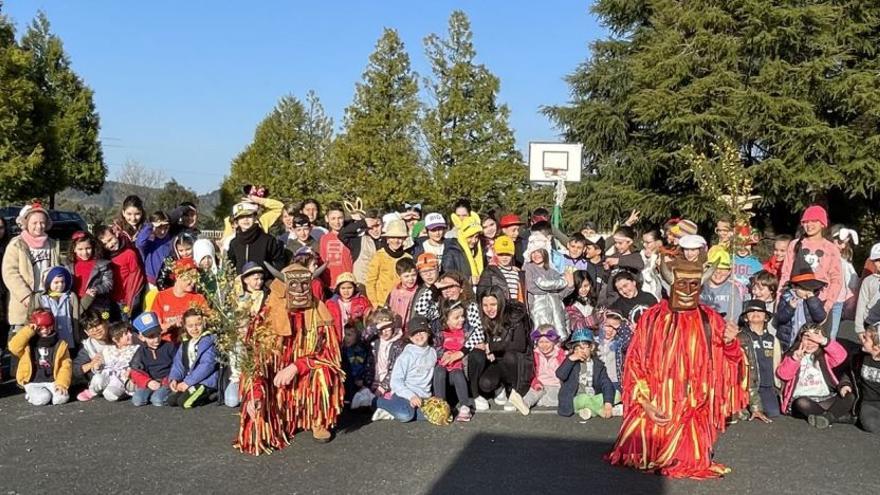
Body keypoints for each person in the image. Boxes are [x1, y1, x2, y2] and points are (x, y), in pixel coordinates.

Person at [607, 258, 746, 479]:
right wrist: (645, 403)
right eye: (682, 284)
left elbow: (731, 365)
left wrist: (730, 342)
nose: (688, 291)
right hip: (655, 402)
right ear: (671, 285)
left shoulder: (710, 319)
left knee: (689, 460)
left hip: (692, 408)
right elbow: (635, 362)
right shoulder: (652, 318)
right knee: (638, 450)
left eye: (694, 285)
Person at [236, 263, 343, 453]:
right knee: (258, 427)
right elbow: (255, 363)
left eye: (305, 285)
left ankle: (317, 419)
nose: (301, 291)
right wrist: (256, 394)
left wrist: (297, 366)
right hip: (276, 383)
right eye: (294, 285)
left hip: (304, 377)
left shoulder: (320, 314)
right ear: (284, 288)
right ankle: (279, 416)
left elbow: (329, 356)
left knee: (324, 371)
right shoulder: (265, 318)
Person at [777, 324, 854, 429]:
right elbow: (784, 375)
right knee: (802, 403)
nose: (810, 343)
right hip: (802, 400)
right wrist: (794, 360)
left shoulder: (824, 356)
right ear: (800, 339)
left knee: (849, 396)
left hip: (825, 398)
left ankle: (826, 418)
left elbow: (841, 355)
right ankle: (836, 416)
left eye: (815, 340)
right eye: (807, 338)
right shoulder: (792, 354)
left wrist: (824, 341)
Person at [471, 285, 532, 412]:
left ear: (501, 302)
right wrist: (487, 348)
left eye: (493, 304)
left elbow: (519, 345)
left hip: (518, 362)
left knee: (510, 356)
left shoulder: (514, 315)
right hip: (498, 362)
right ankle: (501, 387)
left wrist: (491, 347)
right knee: (485, 384)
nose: (489, 309)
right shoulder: (484, 319)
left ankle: (516, 393)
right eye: (485, 305)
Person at [3, 202, 61, 332]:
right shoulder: (16, 244)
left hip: (47, 301)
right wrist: (25, 296)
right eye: (34, 223)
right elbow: (9, 272)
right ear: (26, 223)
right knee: (22, 344)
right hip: (23, 304)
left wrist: (55, 294)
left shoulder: (52, 244)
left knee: (46, 344)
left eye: (42, 222)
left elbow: (57, 270)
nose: (39, 226)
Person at [371, 315, 437, 423]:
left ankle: (390, 411)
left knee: (434, 416)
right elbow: (396, 382)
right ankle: (378, 402)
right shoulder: (406, 355)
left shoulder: (433, 353)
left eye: (421, 331)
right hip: (404, 394)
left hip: (423, 397)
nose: (418, 336)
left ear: (428, 333)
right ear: (410, 337)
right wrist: (411, 396)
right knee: (405, 415)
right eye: (414, 333)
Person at [778, 205, 842, 314]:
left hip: (820, 301)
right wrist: (779, 300)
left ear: (822, 224)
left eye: (814, 221)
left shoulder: (831, 248)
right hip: (795, 300)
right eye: (806, 222)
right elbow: (786, 274)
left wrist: (827, 307)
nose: (809, 225)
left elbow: (836, 279)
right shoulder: (794, 244)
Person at [8, 309, 72, 406]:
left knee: (61, 399)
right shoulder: (27, 343)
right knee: (43, 399)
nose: (45, 330)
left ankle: (44, 393)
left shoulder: (60, 344)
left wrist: (61, 383)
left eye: (48, 326)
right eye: (40, 327)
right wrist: (29, 330)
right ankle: (31, 394)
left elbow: (65, 365)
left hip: (52, 380)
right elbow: (13, 347)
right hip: (32, 381)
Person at [556, 329, 618, 420]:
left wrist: (608, 403)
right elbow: (560, 375)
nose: (580, 351)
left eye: (584, 347)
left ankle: (589, 411)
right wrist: (570, 359)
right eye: (576, 348)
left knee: (616, 394)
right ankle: (602, 411)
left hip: (592, 396)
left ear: (592, 347)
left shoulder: (598, 365)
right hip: (575, 400)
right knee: (584, 399)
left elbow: (606, 383)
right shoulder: (570, 362)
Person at [736, 300, 782, 421]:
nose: (755, 313)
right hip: (747, 385)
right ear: (746, 318)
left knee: (773, 412)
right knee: (743, 414)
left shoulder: (773, 339)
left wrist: (778, 385)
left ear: (766, 317)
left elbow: (777, 363)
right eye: (751, 311)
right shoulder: (740, 337)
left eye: (759, 311)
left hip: (767, 385)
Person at [432, 301, 475, 422]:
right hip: (443, 363)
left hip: (458, 365)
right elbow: (434, 347)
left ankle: (465, 406)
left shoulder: (466, 332)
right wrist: (443, 352)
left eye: (462, 316)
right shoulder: (440, 333)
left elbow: (470, 346)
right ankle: (441, 404)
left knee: (457, 374)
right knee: (439, 371)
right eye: (456, 317)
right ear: (446, 320)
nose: (461, 320)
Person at [168, 308, 219, 408]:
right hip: (191, 379)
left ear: (204, 324)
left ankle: (211, 394)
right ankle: (194, 391)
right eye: (190, 326)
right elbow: (179, 363)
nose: (195, 329)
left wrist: (187, 382)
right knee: (171, 401)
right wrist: (174, 378)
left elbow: (207, 365)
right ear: (185, 327)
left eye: (198, 325)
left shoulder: (208, 341)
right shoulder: (186, 341)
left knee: (185, 403)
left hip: (205, 381)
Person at [151, 258, 209, 343]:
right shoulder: (161, 297)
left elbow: (208, 322)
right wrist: (171, 325)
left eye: (195, 277)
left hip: (191, 343)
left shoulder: (198, 298)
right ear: (178, 276)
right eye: (190, 278)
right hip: (167, 344)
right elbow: (154, 329)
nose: (193, 282)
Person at [95, 224, 146, 318]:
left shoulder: (129, 254)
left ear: (116, 234)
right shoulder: (104, 258)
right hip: (112, 300)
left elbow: (136, 279)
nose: (110, 245)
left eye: (110, 240)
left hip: (126, 300)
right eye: (105, 244)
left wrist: (130, 301)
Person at [513, 325, 565, 415]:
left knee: (556, 398)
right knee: (533, 393)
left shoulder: (561, 355)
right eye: (541, 342)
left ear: (554, 342)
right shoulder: (535, 355)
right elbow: (532, 373)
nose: (544, 345)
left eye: (547, 342)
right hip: (540, 383)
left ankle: (539, 400)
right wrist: (535, 383)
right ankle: (524, 404)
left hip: (556, 385)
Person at [776, 261, 828, 351]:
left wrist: (812, 300)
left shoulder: (814, 299)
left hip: (807, 341)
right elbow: (780, 318)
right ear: (795, 287)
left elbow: (820, 317)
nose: (808, 291)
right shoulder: (786, 298)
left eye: (810, 289)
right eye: (804, 288)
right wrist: (790, 308)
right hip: (788, 340)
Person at [227, 202, 288, 277]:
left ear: (255, 217)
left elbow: (279, 263)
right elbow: (230, 265)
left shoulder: (268, 240)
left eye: (249, 216)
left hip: (264, 285)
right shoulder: (234, 243)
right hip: (240, 286)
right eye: (241, 217)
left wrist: (269, 281)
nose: (245, 220)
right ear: (237, 221)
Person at [358, 308, 406, 404]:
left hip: (388, 383)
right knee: (360, 399)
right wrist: (377, 326)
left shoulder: (399, 344)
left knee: (387, 400)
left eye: (388, 329)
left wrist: (383, 387)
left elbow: (395, 369)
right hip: (372, 380)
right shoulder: (374, 341)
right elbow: (363, 337)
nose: (384, 332)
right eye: (381, 329)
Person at [83, 322, 139, 402]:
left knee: (110, 394)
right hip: (108, 376)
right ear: (115, 339)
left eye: (130, 332)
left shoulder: (136, 349)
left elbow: (137, 365)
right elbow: (100, 365)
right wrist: (97, 367)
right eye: (126, 334)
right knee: (97, 378)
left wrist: (131, 371)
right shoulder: (108, 349)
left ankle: (122, 392)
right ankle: (92, 392)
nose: (130, 335)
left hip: (121, 380)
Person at [129, 312, 176, 407]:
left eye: (158, 334)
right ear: (142, 337)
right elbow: (135, 371)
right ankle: (154, 393)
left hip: (167, 382)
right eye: (151, 337)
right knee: (137, 400)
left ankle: (171, 395)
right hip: (151, 381)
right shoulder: (141, 351)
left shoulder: (169, 347)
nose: (156, 339)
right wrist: (147, 382)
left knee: (157, 400)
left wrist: (168, 381)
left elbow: (178, 366)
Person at [524, 248, 574, 338]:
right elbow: (532, 288)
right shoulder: (528, 268)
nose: (536, 255)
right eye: (533, 252)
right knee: (540, 335)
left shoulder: (553, 272)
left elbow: (560, 295)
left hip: (555, 312)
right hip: (538, 310)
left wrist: (570, 287)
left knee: (556, 336)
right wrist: (554, 289)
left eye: (539, 252)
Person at [365, 219, 412, 307]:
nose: (396, 241)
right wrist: (375, 304)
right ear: (387, 239)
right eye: (393, 237)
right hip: (382, 303)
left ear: (404, 239)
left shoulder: (408, 258)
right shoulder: (379, 256)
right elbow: (370, 282)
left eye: (399, 238)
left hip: (402, 303)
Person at [67, 231, 114, 312]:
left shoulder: (102, 264)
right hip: (76, 305)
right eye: (80, 249)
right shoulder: (69, 267)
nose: (84, 252)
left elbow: (108, 284)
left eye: (88, 248)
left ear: (93, 247)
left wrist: (96, 289)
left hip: (97, 305)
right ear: (74, 249)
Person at [339, 208, 384, 284]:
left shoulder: (388, 241)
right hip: (362, 286)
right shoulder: (358, 242)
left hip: (382, 286)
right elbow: (342, 235)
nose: (375, 230)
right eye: (371, 227)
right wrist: (363, 222)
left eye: (377, 226)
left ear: (382, 224)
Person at [72, 309, 112, 392]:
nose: (95, 330)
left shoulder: (118, 335)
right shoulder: (87, 346)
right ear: (86, 332)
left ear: (106, 323)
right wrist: (92, 363)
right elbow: (75, 370)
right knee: (98, 379)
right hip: (103, 379)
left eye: (98, 325)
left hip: (122, 375)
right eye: (90, 328)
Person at [830, 226, 859, 341]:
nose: (842, 246)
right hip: (824, 302)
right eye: (840, 242)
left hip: (838, 304)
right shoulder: (824, 258)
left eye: (845, 243)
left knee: (831, 337)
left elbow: (853, 286)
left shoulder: (845, 263)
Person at [700, 249, 744, 324]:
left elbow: (734, 316)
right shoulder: (700, 287)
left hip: (722, 329)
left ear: (729, 271)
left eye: (723, 269)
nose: (718, 273)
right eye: (715, 269)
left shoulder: (732, 289)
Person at [594, 310, 633, 394]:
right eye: (608, 326)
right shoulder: (593, 342)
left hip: (614, 382)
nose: (610, 330)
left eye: (615, 328)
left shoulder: (619, 343)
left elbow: (629, 338)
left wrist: (621, 323)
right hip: (596, 383)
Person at [478, 235, 525, 303]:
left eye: (508, 254)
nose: (504, 257)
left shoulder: (517, 273)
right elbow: (481, 293)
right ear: (496, 254)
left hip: (515, 310)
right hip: (499, 309)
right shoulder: (490, 272)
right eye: (501, 254)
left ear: (512, 255)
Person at [325, 272, 372, 341]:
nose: (346, 291)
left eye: (349, 288)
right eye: (343, 288)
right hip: (338, 337)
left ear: (354, 288)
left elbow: (369, 318)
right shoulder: (331, 304)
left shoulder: (362, 301)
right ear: (338, 289)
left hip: (358, 338)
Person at [317, 202, 353, 289]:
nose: (337, 222)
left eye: (340, 218)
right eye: (333, 218)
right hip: (330, 284)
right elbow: (323, 262)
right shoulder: (324, 238)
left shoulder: (350, 236)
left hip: (347, 283)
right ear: (326, 218)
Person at [135, 211, 174, 288]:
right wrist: (151, 225)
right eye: (159, 227)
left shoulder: (171, 241)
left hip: (168, 282)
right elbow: (139, 243)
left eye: (166, 228)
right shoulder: (149, 241)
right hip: (151, 283)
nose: (163, 231)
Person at [854, 324, 880, 433]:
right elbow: (850, 372)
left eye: (866, 338)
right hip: (869, 402)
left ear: (877, 346)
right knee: (870, 425)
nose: (861, 339)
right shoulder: (861, 356)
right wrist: (845, 384)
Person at [443, 220, 485, 285]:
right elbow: (448, 275)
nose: (474, 241)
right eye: (470, 237)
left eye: (476, 237)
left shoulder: (478, 250)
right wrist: (469, 280)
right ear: (463, 236)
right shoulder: (452, 251)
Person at [386, 258, 419, 331]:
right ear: (399, 276)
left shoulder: (418, 292)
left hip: (410, 328)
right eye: (406, 276)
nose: (411, 279)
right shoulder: (394, 291)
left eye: (413, 275)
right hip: (395, 328)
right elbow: (388, 308)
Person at [855, 243, 880, 335]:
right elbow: (861, 304)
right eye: (877, 260)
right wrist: (859, 329)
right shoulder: (868, 281)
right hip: (870, 323)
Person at [640, 229, 664, 300]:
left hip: (659, 294)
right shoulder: (641, 254)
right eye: (643, 242)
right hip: (644, 291)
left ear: (658, 242)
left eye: (648, 242)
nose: (644, 245)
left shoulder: (663, 255)